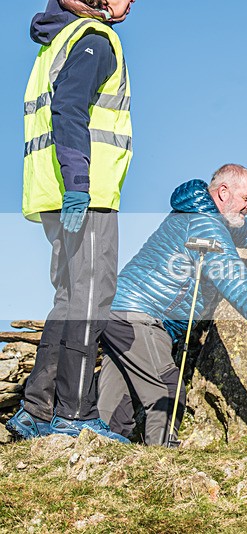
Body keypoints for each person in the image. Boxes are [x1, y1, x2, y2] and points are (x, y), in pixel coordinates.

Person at [96, 164, 247, 445]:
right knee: (167, 390)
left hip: (118, 311)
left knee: (117, 403)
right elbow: (239, 288)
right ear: (223, 192)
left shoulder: (202, 216)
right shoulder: (205, 225)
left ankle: (96, 459)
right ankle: (162, 463)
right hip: (141, 317)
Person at [8, 0, 136, 442]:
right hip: (86, 192)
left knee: (68, 299)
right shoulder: (94, 39)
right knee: (90, 300)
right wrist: (80, 183)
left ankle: (36, 411)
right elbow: (70, 109)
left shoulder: (56, 39)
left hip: (53, 191)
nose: (131, 3)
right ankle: (75, 414)